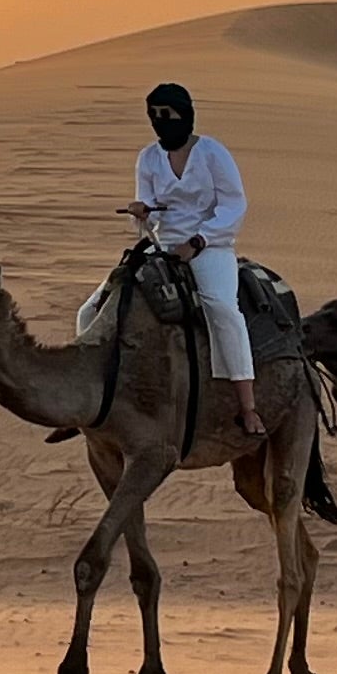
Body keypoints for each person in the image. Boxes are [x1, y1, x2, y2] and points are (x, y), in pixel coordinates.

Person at [132, 82, 264, 441]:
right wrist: (141, 211)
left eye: (167, 114)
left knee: (221, 308)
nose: (161, 122)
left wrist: (199, 240)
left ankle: (247, 405)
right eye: (154, 116)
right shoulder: (148, 158)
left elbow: (234, 205)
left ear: (185, 114)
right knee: (99, 305)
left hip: (211, 245)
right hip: (163, 245)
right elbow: (147, 207)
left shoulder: (212, 153)